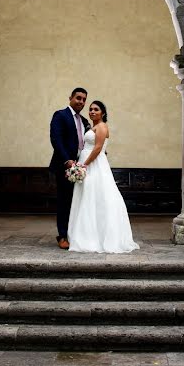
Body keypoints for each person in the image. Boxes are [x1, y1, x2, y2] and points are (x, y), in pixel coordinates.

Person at [67, 100, 140, 253]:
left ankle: (98, 237)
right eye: (91, 109)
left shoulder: (102, 126)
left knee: (97, 196)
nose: (92, 112)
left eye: (96, 109)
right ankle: (84, 234)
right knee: (86, 196)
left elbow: (98, 148)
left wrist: (83, 165)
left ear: (103, 113)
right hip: (86, 162)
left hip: (94, 165)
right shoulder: (92, 126)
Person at [49, 87, 89, 250]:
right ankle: (63, 236)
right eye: (78, 98)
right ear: (70, 98)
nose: (81, 101)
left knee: (79, 201)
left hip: (81, 166)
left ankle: (76, 234)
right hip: (65, 166)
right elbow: (56, 139)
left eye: (84, 99)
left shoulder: (84, 121)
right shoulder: (60, 115)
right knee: (65, 201)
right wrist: (67, 160)